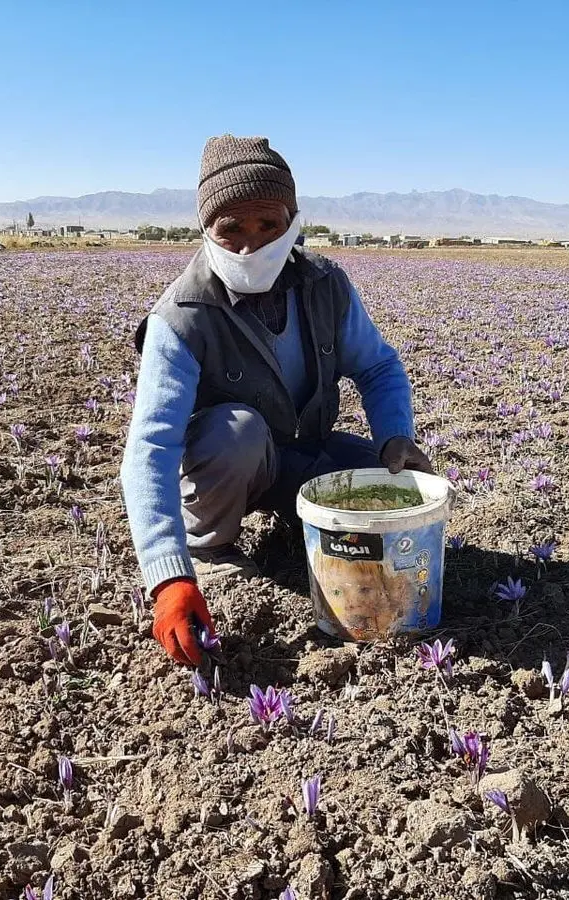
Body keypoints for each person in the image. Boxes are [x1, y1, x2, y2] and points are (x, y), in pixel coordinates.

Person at [121, 134, 432, 666]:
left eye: (268, 225)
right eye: (231, 228)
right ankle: (212, 544)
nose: (250, 245)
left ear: (292, 220)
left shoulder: (324, 284)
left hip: (305, 450)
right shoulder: (181, 316)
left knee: (391, 486)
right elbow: (151, 448)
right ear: (207, 230)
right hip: (232, 466)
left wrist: (395, 435)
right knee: (235, 431)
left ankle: (300, 522)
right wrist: (167, 575)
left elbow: (378, 365)